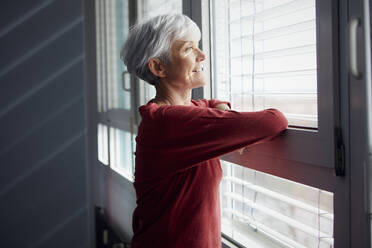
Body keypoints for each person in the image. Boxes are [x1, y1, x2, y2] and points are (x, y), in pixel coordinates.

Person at [120, 13, 288, 248]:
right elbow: (273, 121)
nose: (202, 55)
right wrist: (226, 117)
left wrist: (219, 107)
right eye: (189, 49)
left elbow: (204, 104)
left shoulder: (175, 115)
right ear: (158, 66)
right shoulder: (168, 123)